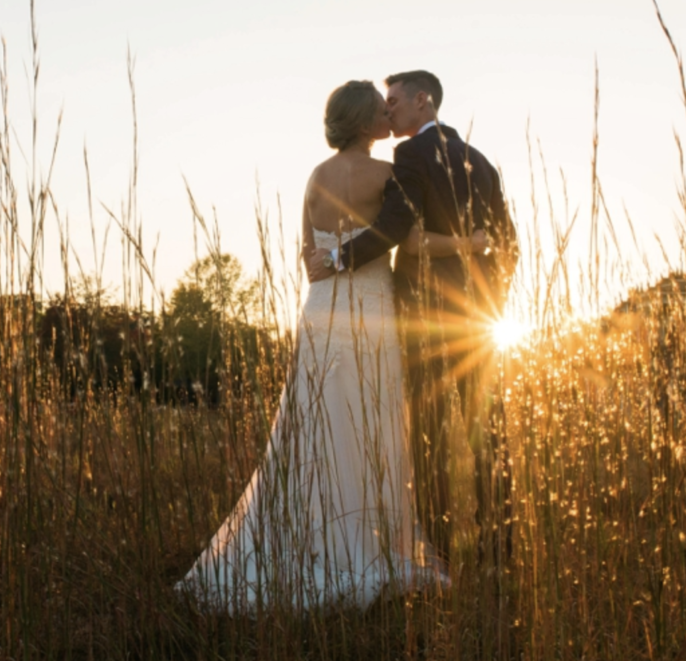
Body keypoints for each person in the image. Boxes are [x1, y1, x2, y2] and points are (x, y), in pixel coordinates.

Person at [176, 80, 483, 612]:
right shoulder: (389, 173)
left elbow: (305, 252)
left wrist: (327, 262)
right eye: (381, 110)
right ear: (366, 123)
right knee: (370, 423)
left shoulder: (315, 178)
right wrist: (469, 243)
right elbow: (404, 239)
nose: (389, 116)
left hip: (320, 312)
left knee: (311, 425)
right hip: (368, 311)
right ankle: (367, 542)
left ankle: (302, 537)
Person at [310, 70, 518, 566]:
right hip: (478, 321)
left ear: (423, 100)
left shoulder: (408, 156)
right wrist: (492, 302)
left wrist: (338, 259)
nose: (389, 110)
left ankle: (441, 552)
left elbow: (396, 229)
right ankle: (500, 548)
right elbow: (508, 244)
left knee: (426, 436)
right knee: (488, 432)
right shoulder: (483, 162)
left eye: (396, 100)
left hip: (425, 319)